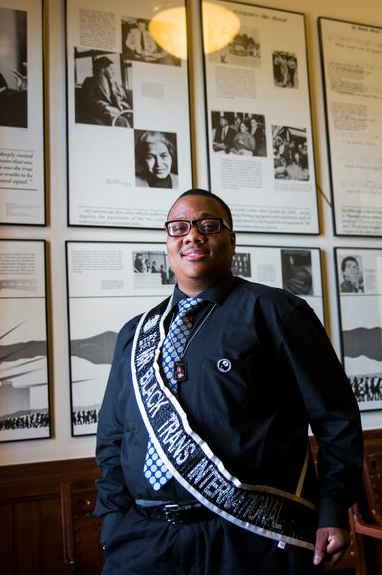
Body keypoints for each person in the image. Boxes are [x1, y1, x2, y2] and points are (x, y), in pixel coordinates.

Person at [95, 189, 363, 575]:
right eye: (180, 228)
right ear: (168, 243)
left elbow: (336, 417)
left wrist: (333, 508)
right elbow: (113, 437)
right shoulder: (135, 334)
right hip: (144, 542)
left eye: (208, 225)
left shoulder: (276, 312)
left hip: (250, 539)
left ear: (232, 240)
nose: (192, 235)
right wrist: (114, 521)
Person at [80, 56, 131, 127]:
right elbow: (87, 101)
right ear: (102, 69)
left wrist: (120, 103)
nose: (113, 71)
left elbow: (122, 97)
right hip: (98, 114)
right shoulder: (90, 81)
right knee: (122, 122)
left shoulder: (114, 83)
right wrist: (105, 107)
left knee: (127, 119)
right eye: (111, 68)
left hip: (115, 112)